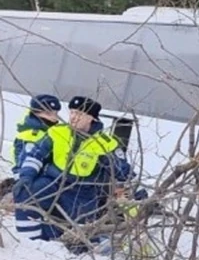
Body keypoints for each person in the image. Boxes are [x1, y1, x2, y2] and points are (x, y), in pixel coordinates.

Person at [14, 96, 132, 242]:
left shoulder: (105, 143)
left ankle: (70, 241)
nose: (74, 118)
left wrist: (122, 185)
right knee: (25, 191)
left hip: (82, 191)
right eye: (72, 113)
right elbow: (35, 155)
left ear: (91, 118)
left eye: (80, 114)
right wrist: (26, 176)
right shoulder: (57, 132)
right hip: (53, 181)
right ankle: (29, 241)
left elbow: (122, 172)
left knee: (80, 236)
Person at [11, 94, 61, 177]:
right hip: (32, 179)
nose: (54, 117)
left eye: (56, 113)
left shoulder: (45, 131)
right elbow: (25, 163)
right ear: (36, 113)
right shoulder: (33, 135)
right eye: (48, 113)